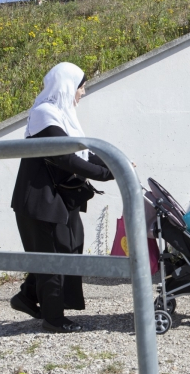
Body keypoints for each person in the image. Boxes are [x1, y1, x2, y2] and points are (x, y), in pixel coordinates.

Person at [10, 62, 114, 333]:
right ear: (68, 86)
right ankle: (53, 318)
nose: (84, 91)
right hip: (40, 200)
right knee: (52, 257)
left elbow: (81, 152)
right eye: (81, 86)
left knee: (69, 247)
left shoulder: (62, 114)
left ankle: (27, 295)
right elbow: (62, 155)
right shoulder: (44, 113)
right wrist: (104, 173)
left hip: (59, 200)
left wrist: (114, 163)